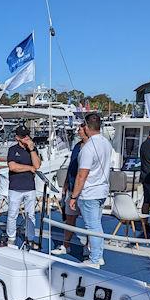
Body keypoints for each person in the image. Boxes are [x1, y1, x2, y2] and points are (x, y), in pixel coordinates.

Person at [68, 113, 113, 268]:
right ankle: (98, 255)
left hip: (90, 193)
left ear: (87, 127)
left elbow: (82, 175)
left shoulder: (87, 148)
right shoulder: (106, 143)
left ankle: (95, 259)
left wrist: (73, 196)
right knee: (97, 224)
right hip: (102, 191)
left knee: (92, 226)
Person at [0, 125, 40, 249]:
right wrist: (29, 168)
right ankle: (11, 237)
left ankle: (30, 238)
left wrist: (32, 149)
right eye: (23, 136)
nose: (26, 137)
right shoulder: (12, 149)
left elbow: (37, 165)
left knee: (30, 215)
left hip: (30, 188)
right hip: (15, 188)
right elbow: (13, 167)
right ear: (17, 138)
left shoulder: (33, 149)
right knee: (12, 214)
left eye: (27, 135)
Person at [51, 127, 85, 255]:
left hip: (85, 190)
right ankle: (66, 245)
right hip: (71, 187)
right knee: (69, 218)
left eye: (80, 129)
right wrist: (65, 186)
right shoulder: (77, 146)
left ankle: (89, 248)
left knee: (89, 222)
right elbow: (71, 167)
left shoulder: (91, 147)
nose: (78, 131)